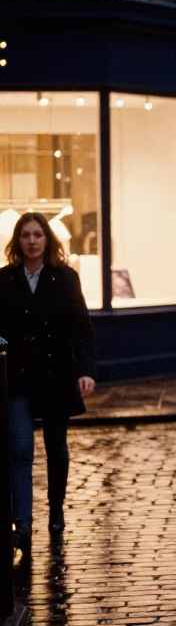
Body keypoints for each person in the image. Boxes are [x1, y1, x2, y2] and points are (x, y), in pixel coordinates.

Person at [0, 212, 96, 545]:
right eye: (25, 235)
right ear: (17, 241)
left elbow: (81, 328)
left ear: (47, 240)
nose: (31, 241)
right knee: (20, 449)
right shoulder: (5, 279)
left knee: (56, 449)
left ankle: (56, 509)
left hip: (56, 374)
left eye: (37, 235)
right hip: (18, 376)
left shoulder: (65, 278)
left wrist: (85, 370)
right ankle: (22, 525)